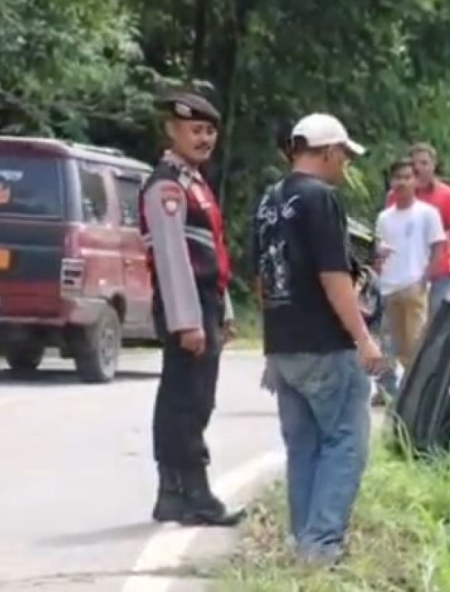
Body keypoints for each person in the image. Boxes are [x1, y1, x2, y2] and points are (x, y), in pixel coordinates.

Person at [250, 113, 385, 564]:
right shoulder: (320, 199)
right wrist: (364, 339)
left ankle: (302, 542)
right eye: (344, 155)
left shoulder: (269, 200)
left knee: (303, 445)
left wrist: (273, 339)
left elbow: (261, 279)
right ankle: (322, 547)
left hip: (283, 344)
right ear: (327, 152)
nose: (346, 164)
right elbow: (333, 276)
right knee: (345, 441)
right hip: (325, 344)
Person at [141, 91, 242, 527]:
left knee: (194, 397)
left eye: (209, 131)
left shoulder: (194, 182)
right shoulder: (167, 184)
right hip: (187, 304)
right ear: (172, 130)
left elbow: (212, 251)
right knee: (186, 399)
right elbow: (171, 257)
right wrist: (188, 322)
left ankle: (176, 494)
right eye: (195, 130)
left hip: (206, 301)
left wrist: (226, 310)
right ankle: (190, 492)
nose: (204, 139)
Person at [374, 157, 445, 381]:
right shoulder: (384, 217)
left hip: (414, 284)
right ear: (391, 182)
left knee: (414, 343)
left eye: (407, 177)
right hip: (389, 287)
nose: (402, 183)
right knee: (387, 342)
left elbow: (439, 246)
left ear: (415, 181)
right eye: (398, 178)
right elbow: (378, 248)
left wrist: (425, 278)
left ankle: (413, 388)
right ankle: (388, 389)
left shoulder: (427, 213)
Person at [387, 142, 450, 317]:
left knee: (435, 321)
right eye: (415, 164)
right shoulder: (397, 195)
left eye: (424, 163)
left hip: (440, 273)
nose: (419, 168)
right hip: (408, 272)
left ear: (433, 165)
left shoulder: (447, 196)